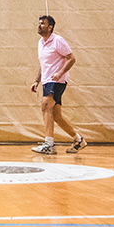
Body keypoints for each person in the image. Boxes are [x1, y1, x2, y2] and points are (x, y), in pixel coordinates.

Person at [30, 15, 87, 154]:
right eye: (39, 23)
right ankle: (78, 140)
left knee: (45, 105)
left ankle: (49, 144)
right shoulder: (40, 42)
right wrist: (37, 80)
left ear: (50, 27)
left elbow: (71, 58)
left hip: (56, 81)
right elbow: (44, 64)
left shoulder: (58, 40)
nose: (39, 25)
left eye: (42, 23)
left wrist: (60, 73)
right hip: (46, 81)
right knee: (56, 115)